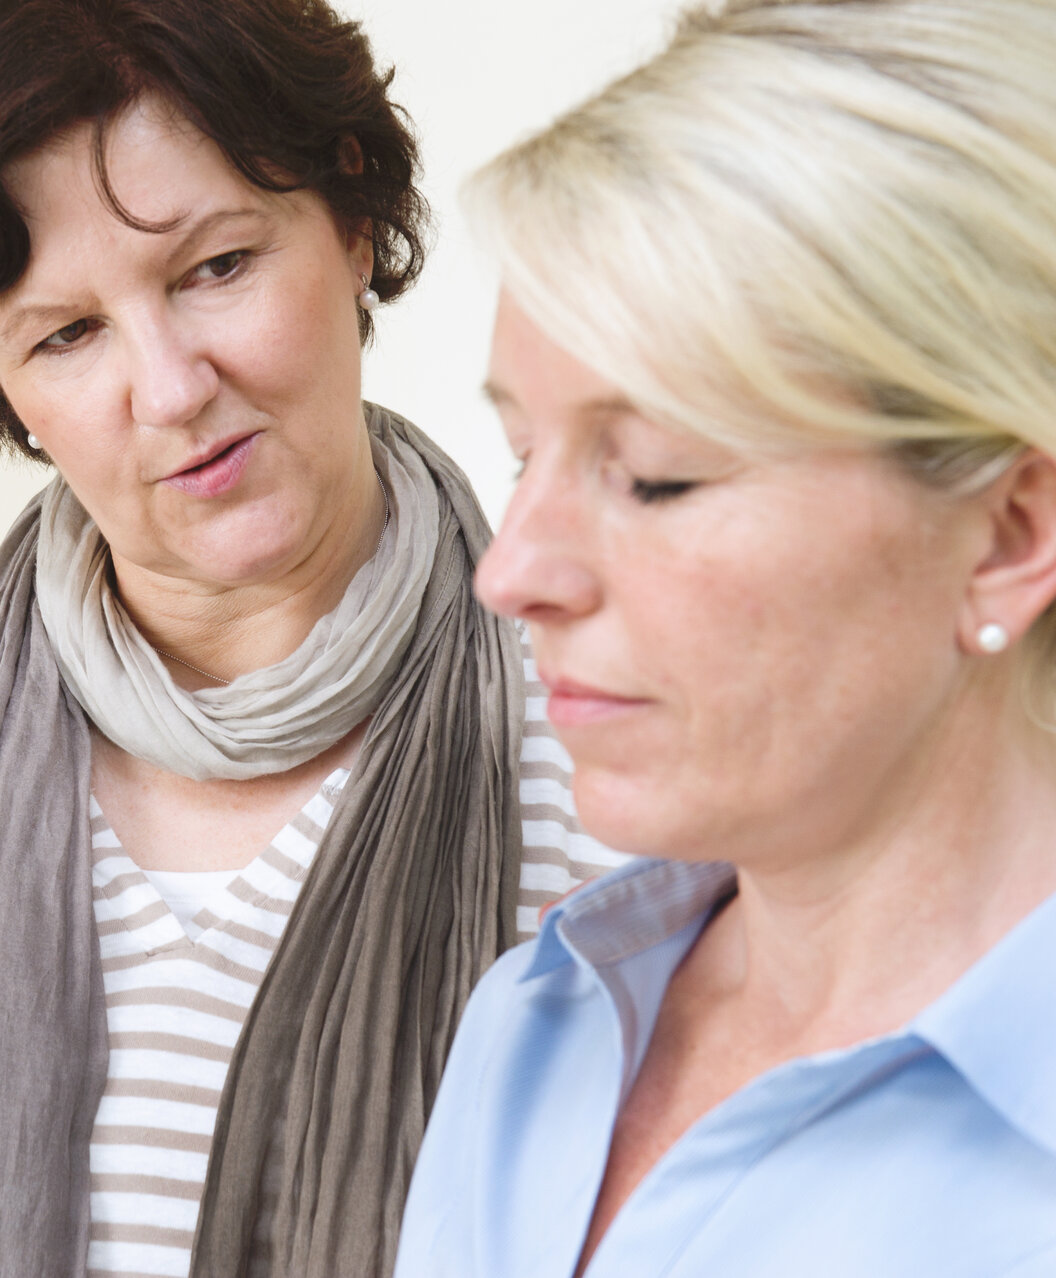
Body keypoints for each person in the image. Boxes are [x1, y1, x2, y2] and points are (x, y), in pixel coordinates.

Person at [0, 2, 618, 1275]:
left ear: (352, 221)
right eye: (68, 334)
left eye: (215, 268)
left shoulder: (608, 715)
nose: (171, 388)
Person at [394, 1, 1056, 1274]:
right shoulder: (533, 1023)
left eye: (653, 474)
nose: (509, 572)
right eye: (525, 453)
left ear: (1011, 533)